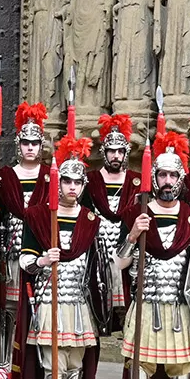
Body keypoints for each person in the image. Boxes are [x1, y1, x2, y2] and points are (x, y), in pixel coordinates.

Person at [115, 129, 190, 379]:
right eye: (162, 174)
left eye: (173, 174)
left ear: (181, 179)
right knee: (139, 365)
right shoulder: (137, 212)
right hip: (146, 303)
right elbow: (120, 263)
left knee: (181, 369)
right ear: (154, 178)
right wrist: (132, 233)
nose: (167, 180)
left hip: (180, 306)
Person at [17, 134, 107, 379]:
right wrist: (42, 259)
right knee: (52, 365)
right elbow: (24, 259)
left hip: (78, 304)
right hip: (48, 300)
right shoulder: (40, 216)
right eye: (65, 181)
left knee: (75, 367)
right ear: (57, 184)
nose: (71, 187)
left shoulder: (91, 221)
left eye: (77, 182)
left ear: (83, 187)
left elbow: (101, 268)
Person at [0, 102, 49, 379]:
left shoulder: (52, 176)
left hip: (42, 247)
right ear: (19, 145)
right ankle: (4, 363)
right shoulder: (6, 174)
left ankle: (37, 364)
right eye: (25, 142)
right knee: (10, 308)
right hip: (13, 247)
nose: (30, 148)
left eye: (35, 143)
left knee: (41, 306)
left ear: (41, 145)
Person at [86, 114, 134, 332]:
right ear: (103, 153)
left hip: (128, 251)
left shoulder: (137, 181)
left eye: (120, 151)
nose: (116, 155)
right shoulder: (90, 181)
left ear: (126, 153)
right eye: (111, 151)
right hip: (99, 249)